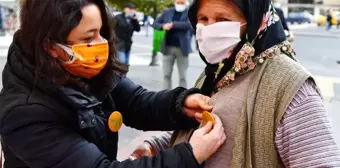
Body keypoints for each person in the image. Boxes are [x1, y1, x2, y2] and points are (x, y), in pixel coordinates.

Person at [0, 0, 227, 168]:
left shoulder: (86, 68)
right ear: (50, 45)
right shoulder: (25, 113)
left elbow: (137, 102)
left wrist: (180, 103)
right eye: (89, 38)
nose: (102, 43)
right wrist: (190, 154)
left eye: (101, 32)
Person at [131, 0, 340, 167]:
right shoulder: (217, 71)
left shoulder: (291, 88)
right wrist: (155, 146)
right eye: (203, 18)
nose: (209, 29)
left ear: (254, 21)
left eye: (222, 19)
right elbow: (199, 125)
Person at [153, 0, 193, 89]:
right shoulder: (167, 12)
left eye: (182, 3)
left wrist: (173, 24)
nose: (180, 4)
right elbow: (155, 23)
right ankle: (166, 96)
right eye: (178, 2)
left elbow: (189, 25)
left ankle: (183, 95)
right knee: (166, 75)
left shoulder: (189, 12)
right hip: (167, 48)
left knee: (183, 76)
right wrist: (162, 26)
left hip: (182, 49)